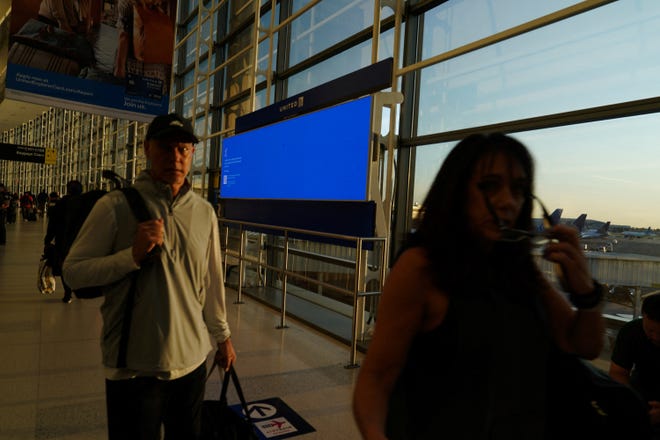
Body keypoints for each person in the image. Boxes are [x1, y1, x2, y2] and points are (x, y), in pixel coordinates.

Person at [352, 133, 606, 439]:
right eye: (489, 185)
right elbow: (376, 378)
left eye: (519, 190)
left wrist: (586, 293)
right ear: (456, 191)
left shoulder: (521, 269)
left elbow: (584, 346)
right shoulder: (422, 268)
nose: (507, 201)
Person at [62, 112, 235, 440]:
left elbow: (211, 282)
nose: (176, 157)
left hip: (193, 363)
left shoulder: (204, 213)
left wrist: (222, 338)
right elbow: (73, 272)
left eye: (183, 149)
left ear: (193, 154)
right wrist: (131, 257)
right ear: (146, 149)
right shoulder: (115, 206)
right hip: (134, 370)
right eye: (166, 148)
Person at [609, 294, 660, 436]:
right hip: (639, 391)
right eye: (650, 331)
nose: (656, 337)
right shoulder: (631, 331)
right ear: (643, 316)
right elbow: (618, 373)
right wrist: (631, 402)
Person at [44, 180, 83, 303]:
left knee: (65, 266)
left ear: (68, 190)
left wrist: (48, 239)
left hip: (63, 240)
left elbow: (53, 223)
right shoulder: (85, 204)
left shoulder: (61, 204)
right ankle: (80, 289)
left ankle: (68, 293)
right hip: (81, 240)